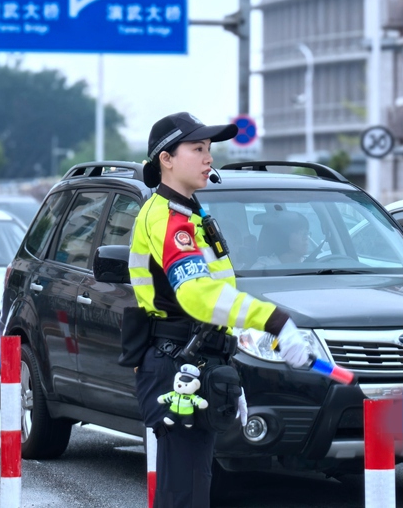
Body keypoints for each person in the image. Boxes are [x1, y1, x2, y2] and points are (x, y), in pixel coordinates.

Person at [129, 112, 311, 508]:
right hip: (177, 364)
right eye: (197, 148)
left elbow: (216, 296)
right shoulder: (167, 218)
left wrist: (223, 365)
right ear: (167, 159)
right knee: (186, 493)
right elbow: (197, 295)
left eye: (209, 148)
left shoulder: (190, 211)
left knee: (190, 485)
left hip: (195, 361)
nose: (208, 157)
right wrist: (275, 321)